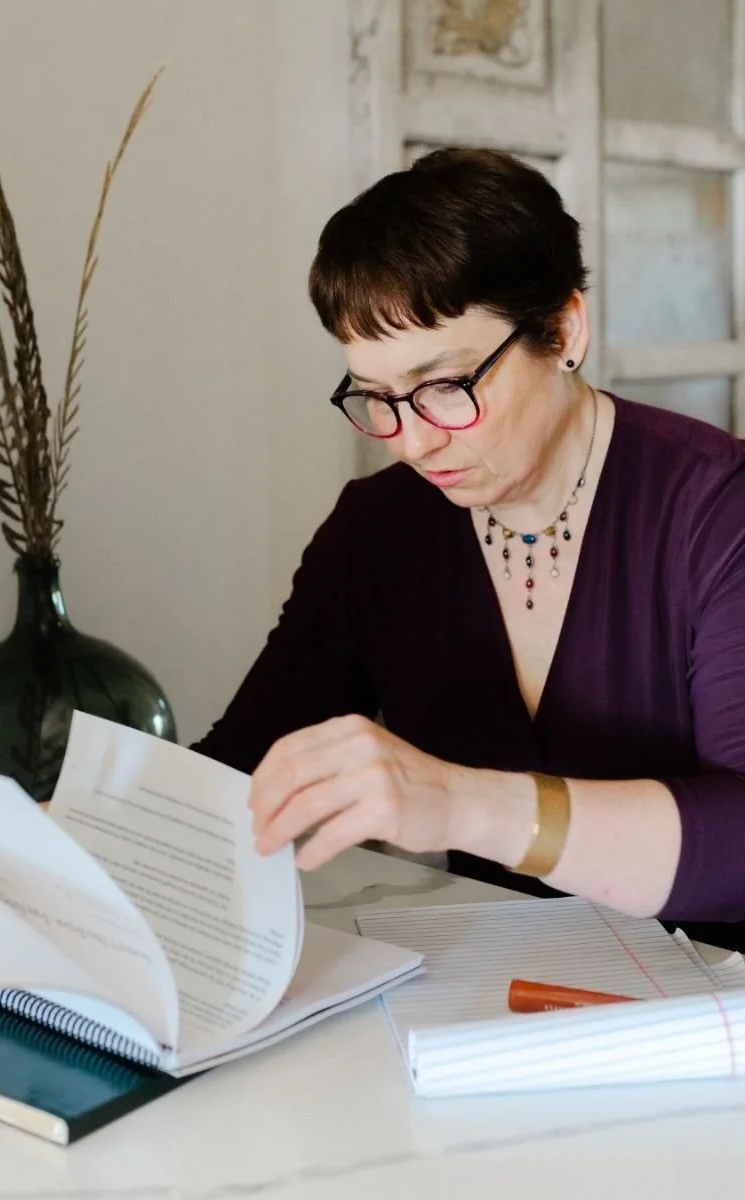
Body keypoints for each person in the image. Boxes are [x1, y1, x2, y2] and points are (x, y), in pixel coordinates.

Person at [192, 148, 745, 950]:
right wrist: (77, 830)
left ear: (562, 329)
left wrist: (458, 803)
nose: (412, 441)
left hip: (717, 1010)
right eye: (377, 398)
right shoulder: (377, 529)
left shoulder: (717, 509)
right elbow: (246, 764)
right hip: (495, 999)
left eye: (446, 385)